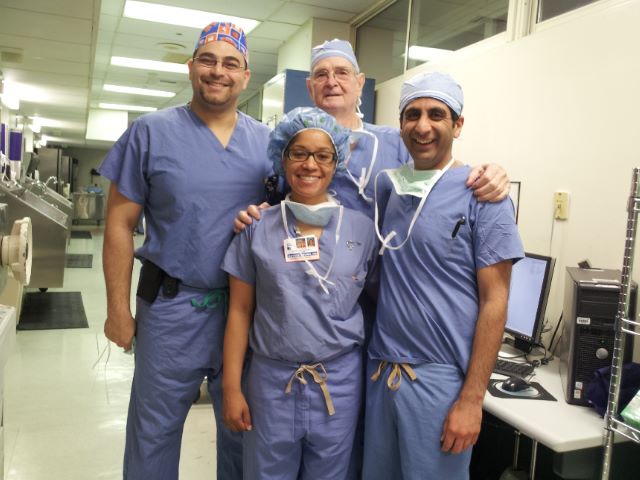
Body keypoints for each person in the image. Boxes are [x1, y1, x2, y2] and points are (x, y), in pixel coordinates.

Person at [98, 21, 271, 480]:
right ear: (192, 67)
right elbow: (119, 223)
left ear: (246, 75)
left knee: (242, 431)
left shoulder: (268, 145)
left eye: (231, 63)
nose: (218, 72)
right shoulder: (151, 133)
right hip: (170, 309)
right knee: (153, 435)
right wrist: (118, 309)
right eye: (208, 61)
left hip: (244, 311)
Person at [361, 71, 524, 480]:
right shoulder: (390, 190)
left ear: (458, 124)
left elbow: (495, 301)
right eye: (412, 114)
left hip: (439, 383)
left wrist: (472, 400)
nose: (423, 125)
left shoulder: (484, 196)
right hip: (381, 373)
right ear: (400, 125)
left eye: (437, 114)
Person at [221, 107, 379, 480]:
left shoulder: (362, 230)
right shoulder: (257, 227)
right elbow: (240, 312)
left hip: (337, 381)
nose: (311, 164)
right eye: (299, 153)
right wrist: (231, 388)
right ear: (282, 158)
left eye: (323, 155)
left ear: (336, 161)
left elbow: (376, 298)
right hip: (272, 381)